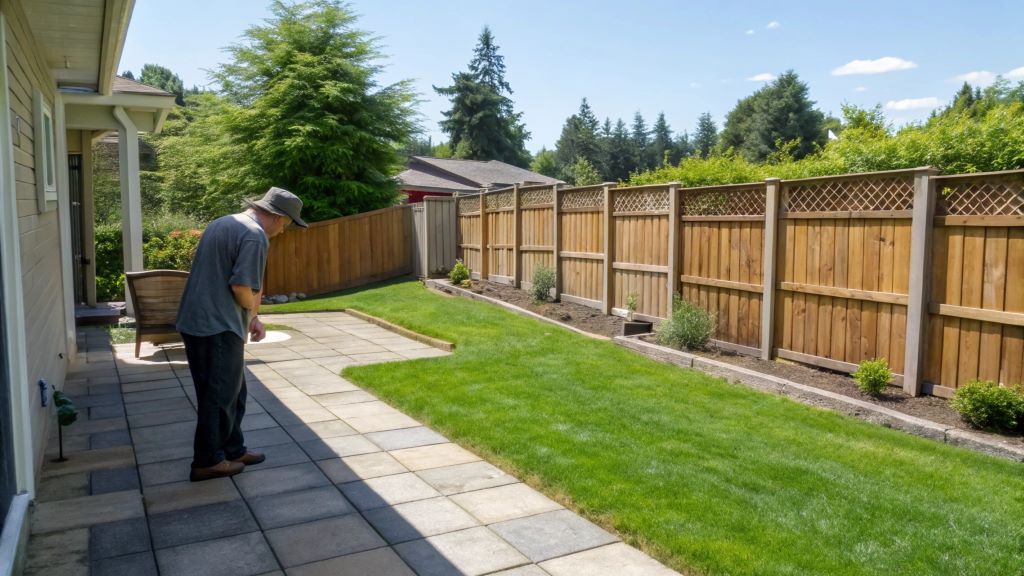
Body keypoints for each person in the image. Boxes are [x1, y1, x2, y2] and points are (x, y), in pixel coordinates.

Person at [177, 187, 307, 482]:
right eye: (286, 224)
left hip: (201, 321)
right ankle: (208, 461)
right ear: (276, 216)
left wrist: (253, 318)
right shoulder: (254, 235)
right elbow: (241, 288)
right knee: (219, 395)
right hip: (216, 325)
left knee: (235, 391)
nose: (284, 231)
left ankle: (233, 450)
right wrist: (251, 311)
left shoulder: (223, 222)